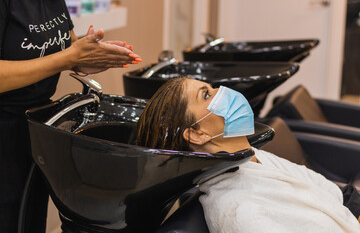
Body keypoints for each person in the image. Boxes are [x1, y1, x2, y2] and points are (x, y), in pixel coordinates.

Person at [136, 77, 360, 232]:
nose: (222, 92)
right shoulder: (239, 210)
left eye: (212, 88)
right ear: (196, 134)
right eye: (206, 95)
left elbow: (340, 198)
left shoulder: (255, 158)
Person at [0, 0, 142, 232]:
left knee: (28, 216)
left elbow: (67, 48)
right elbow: (62, 57)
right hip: (4, 129)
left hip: (35, 125)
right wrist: (69, 58)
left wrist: (89, 56)